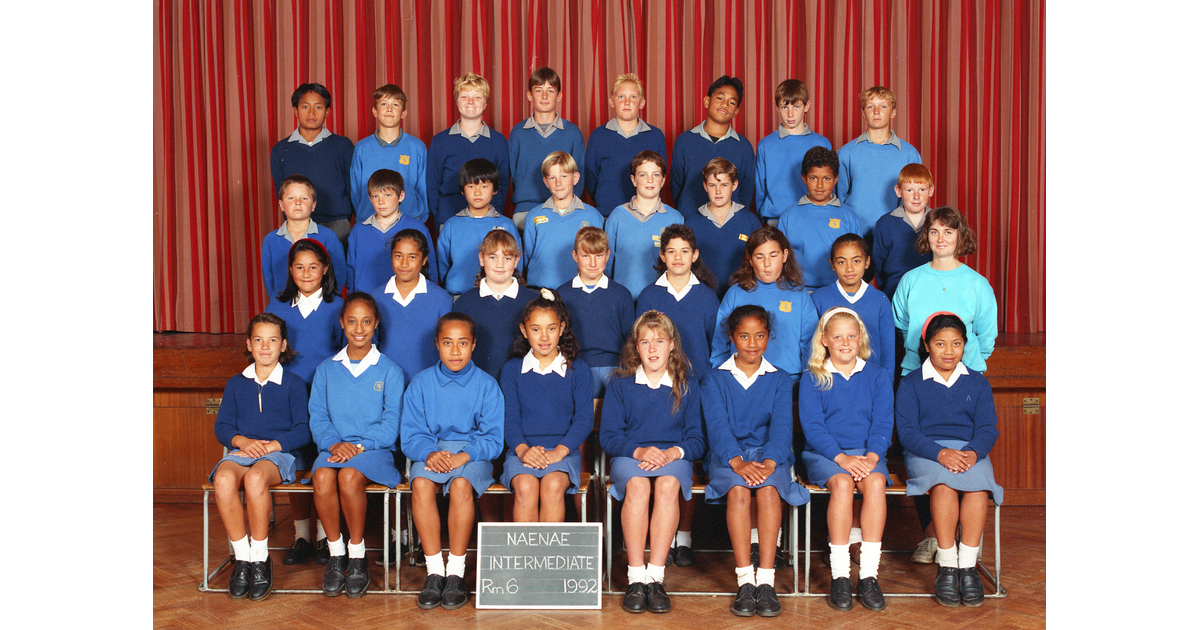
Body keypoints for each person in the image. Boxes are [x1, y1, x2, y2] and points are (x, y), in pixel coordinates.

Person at [701, 305, 808, 617]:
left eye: (759, 335)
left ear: (769, 337)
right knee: (737, 491)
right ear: (732, 337)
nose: (752, 343)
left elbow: (782, 428)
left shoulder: (779, 379)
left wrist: (771, 463)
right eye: (744, 336)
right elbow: (718, 428)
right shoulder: (715, 379)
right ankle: (745, 580)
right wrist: (737, 462)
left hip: (768, 457)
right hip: (728, 456)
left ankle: (767, 581)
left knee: (769, 490)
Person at [895, 312, 1003, 608]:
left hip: (969, 450)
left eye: (956, 344)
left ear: (965, 346)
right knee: (943, 486)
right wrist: (940, 453)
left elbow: (987, 428)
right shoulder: (912, 383)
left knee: (977, 487)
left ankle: (967, 567)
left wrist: (972, 452)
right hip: (926, 451)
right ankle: (947, 565)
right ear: (927, 345)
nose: (949, 351)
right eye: (940, 344)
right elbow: (907, 432)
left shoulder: (977, 383)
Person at [600, 311, 705, 615]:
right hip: (631, 457)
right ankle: (635, 578)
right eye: (645, 342)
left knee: (669, 484)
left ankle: (655, 578)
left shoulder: (686, 385)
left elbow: (697, 440)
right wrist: (639, 452)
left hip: (672, 458)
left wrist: (673, 453)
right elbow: (609, 436)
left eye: (659, 341)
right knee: (638, 486)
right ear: (636, 347)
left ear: (672, 344)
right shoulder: (620, 385)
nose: (653, 349)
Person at [401, 312, 504, 610]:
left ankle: (456, 572)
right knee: (420, 483)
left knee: (461, 486)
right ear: (436, 344)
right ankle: (435, 570)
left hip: (473, 454)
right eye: (448, 343)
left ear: (473, 345)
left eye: (462, 343)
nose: (455, 351)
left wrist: (464, 455)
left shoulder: (486, 385)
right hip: (432, 451)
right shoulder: (421, 384)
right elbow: (411, 435)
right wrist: (429, 453)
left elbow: (493, 439)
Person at [308, 293, 405, 598]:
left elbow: (391, 426)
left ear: (376, 324)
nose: (359, 328)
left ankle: (357, 554)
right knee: (323, 477)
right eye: (351, 321)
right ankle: (337, 554)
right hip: (333, 449)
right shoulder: (326, 369)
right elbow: (318, 417)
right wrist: (335, 443)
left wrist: (359, 447)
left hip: (374, 452)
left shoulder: (390, 370)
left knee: (349, 477)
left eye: (366, 321)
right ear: (342, 323)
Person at [798, 307, 894, 612]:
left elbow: (882, 423)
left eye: (851, 336)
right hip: (827, 454)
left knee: (876, 483)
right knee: (841, 485)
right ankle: (840, 575)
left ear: (860, 338)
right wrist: (841, 458)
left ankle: (868, 575)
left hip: (867, 453)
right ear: (824, 340)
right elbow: (813, 427)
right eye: (837, 336)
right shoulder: (814, 377)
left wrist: (872, 456)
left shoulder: (876, 375)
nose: (845, 342)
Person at [635, 223, 720, 565]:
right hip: (657, 386)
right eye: (671, 251)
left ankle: (682, 537)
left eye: (685, 251)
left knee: (684, 458)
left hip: (694, 387)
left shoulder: (707, 295)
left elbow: (717, 344)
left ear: (695, 255)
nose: (678, 257)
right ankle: (659, 538)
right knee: (655, 459)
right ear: (662, 256)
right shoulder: (649, 295)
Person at [211, 313, 311, 601]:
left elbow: (303, 430)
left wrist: (270, 447)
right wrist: (243, 441)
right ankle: (242, 559)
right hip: (243, 451)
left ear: (283, 345)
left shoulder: (293, 384)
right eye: (258, 340)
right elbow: (223, 427)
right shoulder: (236, 383)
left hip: (278, 455)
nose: (265, 346)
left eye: (272, 340)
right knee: (224, 478)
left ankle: (260, 558)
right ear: (249, 344)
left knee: (256, 479)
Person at [265, 239, 345, 566]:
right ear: (290, 270)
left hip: (329, 397)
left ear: (325, 269)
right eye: (299, 267)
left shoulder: (339, 305)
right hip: (291, 396)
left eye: (314, 266)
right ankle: (302, 536)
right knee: (297, 464)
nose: (307, 273)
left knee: (323, 462)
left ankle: (327, 537)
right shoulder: (278, 306)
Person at [499, 289, 594, 521]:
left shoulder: (578, 370)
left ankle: (549, 557)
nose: (544, 337)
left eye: (551, 328)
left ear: (561, 329)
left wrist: (558, 452)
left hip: (563, 452)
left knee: (552, 486)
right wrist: (523, 451)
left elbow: (583, 420)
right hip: (521, 451)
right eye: (536, 329)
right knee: (525, 487)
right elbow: (509, 419)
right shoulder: (512, 370)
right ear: (524, 330)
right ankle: (525, 557)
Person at [893, 206, 997, 377]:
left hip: (965, 373)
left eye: (948, 232)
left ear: (959, 235)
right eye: (934, 232)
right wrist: (916, 353)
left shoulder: (978, 284)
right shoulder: (910, 280)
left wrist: (969, 367)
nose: (940, 239)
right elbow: (902, 326)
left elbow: (986, 334)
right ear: (927, 235)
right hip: (916, 372)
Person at [710, 227, 818, 381]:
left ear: (785, 255)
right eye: (759, 257)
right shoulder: (735, 293)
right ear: (750, 260)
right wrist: (722, 378)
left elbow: (810, 344)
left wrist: (807, 380)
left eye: (773, 255)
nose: (767, 263)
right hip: (742, 378)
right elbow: (720, 344)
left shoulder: (799, 295)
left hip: (789, 379)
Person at [270, 83, 356, 246]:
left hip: (337, 225)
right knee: (303, 271)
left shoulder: (342, 146)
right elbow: (280, 191)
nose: (311, 113)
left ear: (327, 111)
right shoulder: (281, 150)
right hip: (298, 224)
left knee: (335, 270)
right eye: (304, 107)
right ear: (295, 110)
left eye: (318, 107)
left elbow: (352, 187)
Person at [835, 85, 922, 245]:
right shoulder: (846, 153)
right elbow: (840, 197)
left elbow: (915, 198)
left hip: (896, 235)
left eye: (883, 106)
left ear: (893, 112)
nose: (876, 111)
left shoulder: (909, 154)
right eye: (870, 106)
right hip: (855, 234)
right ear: (863, 113)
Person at [556, 226, 636, 399]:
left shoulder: (621, 294)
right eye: (586, 256)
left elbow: (631, 339)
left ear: (607, 255)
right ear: (575, 256)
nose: (592, 263)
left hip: (614, 369)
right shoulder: (562, 294)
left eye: (598, 256)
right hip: (574, 367)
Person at [451, 230, 539, 381]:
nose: (500, 264)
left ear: (516, 260)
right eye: (493, 257)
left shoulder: (534, 302)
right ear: (481, 259)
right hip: (476, 383)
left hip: (524, 383)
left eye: (507, 258)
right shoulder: (464, 303)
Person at [508, 67, 586, 232]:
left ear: (559, 96)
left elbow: (579, 175)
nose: (544, 96)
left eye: (550, 91)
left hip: (564, 209)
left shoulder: (572, 133)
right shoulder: (518, 133)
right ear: (529, 95)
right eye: (538, 90)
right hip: (525, 210)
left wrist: (568, 204)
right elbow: (513, 174)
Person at [427, 73, 510, 227]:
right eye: (464, 96)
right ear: (457, 101)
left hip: (488, 218)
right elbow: (432, 184)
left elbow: (503, 183)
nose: (471, 102)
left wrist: (495, 213)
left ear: (485, 103)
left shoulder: (498, 141)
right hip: (449, 218)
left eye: (477, 97)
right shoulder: (440, 141)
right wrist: (440, 216)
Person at [777, 146, 862, 291]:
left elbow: (857, 257)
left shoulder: (848, 216)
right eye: (813, 178)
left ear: (836, 179)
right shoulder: (789, 216)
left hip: (838, 290)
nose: (820, 185)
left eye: (827, 178)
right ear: (804, 178)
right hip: (799, 290)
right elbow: (779, 259)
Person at [670, 76, 756, 220]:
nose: (725, 105)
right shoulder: (685, 141)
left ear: (736, 111)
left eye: (732, 102)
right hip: (689, 223)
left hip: (730, 225)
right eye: (720, 98)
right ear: (707, 101)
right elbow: (676, 187)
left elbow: (746, 192)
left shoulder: (744, 147)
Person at [584, 74, 668, 218]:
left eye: (633, 97)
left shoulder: (655, 136)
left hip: (646, 215)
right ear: (612, 101)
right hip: (607, 214)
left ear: (642, 103)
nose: (627, 102)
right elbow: (591, 177)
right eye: (621, 97)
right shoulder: (598, 136)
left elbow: (660, 176)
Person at [603, 150, 685, 298]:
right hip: (623, 298)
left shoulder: (675, 219)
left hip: (661, 299)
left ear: (663, 180)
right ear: (633, 180)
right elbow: (606, 264)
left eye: (656, 175)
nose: (650, 180)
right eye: (643, 175)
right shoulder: (617, 216)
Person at [811, 234, 896, 374]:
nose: (849, 268)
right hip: (830, 380)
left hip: (871, 381)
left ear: (867, 262)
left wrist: (885, 387)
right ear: (832, 264)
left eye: (856, 261)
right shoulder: (819, 299)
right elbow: (813, 348)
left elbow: (888, 353)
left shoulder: (880, 300)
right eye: (841, 262)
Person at [436, 158, 520, 296]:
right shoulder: (451, 225)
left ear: (495, 190)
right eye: (471, 186)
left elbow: (517, 265)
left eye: (484, 186)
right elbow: (442, 265)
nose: (477, 192)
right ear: (462, 190)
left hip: (498, 295)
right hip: (458, 295)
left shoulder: (507, 225)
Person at [521, 151, 604, 290]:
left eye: (564, 176)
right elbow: (527, 256)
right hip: (539, 289)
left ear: (575, 178)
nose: (558, 183)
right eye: (552, 178)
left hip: (579, 289)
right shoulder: (533, 216)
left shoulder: (593, 216)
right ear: (545, 182)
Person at [345, 168, 436, 293]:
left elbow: (430, 269)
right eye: (375, 196)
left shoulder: (417, 228)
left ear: (401, 196)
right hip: (366, 298)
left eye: (387, 195)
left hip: (405, 298)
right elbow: (351, 270)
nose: (381, 201)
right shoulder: (358, 230)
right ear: (370, 198)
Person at [755, 79, 832, 226]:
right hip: (775, 219)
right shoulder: (766, 145)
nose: (790, 114)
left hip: (813, 217)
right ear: (777, 107)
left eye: (796, 106)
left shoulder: (822, 143)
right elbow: (760, 188)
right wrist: (765, 216)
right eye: (785, 107)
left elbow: (830, 183)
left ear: (806, 106)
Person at [684, 158, 763, 297]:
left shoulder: (750, 221)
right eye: (712, 185)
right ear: (705, 186)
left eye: (724, 185)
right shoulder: (692, 223)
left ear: (734, 185)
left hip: (742, 294)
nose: (718, 191)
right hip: (702, 295)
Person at [350, 84, 428, 222]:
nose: (389, 109)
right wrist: (363, 218)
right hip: (370, 222)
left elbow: (423, 188)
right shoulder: (362, 148)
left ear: (404, 113)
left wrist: (420, 218)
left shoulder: (417, 147)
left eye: (396, 104)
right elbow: (356, 190)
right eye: (384, 104)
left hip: (409, 220)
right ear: (374, 111)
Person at [261, 174, 347, 298]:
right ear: (281, 205)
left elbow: (340, 272)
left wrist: (329, 299)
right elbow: (269, 279)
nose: (297, 203)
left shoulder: (328, 237)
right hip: (284, 305)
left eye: (304, 198)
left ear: (313, 205)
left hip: (321, 304)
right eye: (291, 198)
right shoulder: (271, 240)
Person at [873, 163, 934, 301]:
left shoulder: (938, 223)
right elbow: (878, 265)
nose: (916, 196)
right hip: (894, 293)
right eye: (909, 190)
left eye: (922, 190)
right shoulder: (885, 224)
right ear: (898, 191)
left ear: (931, 190)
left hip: (931, 293)